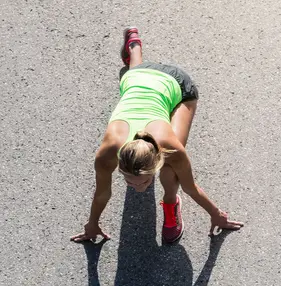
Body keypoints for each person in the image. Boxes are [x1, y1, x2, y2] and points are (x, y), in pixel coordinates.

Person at [72, 28, 243, 244]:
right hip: (137, 76)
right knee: (135, 76)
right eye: (131, 182)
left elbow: (190, 187)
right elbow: (102, 193)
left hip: (177, 84)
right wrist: (92, 223)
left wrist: (217, 214)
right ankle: (133, 45)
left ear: (155, 161)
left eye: (142, 182)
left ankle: (171, 202)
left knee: (171, 168)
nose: (138, 189)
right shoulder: (107, 153)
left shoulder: (168, 146)